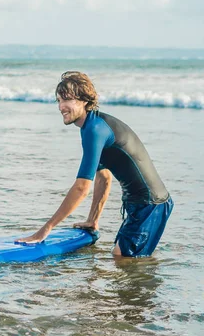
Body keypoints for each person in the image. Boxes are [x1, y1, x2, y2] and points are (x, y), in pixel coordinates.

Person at [16, 71, 173, 257]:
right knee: (126, 261)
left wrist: (45, 229)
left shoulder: (95, 129)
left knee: (123, 259)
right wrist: (92, 220)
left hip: (150, 205)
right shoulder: (91, 126)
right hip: (142, 204)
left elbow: (82, 188)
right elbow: (104, 178)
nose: (61, 106)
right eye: (58, 100)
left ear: (84, 100)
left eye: (66, 100)